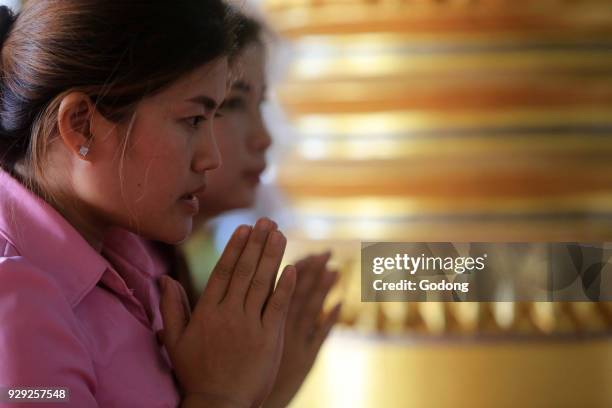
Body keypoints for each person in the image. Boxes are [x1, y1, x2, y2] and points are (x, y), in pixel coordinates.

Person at [0, 2, 295, 407]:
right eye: (193, 120)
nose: (211, 157)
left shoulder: (127, 260)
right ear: (81, 125)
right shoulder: (14, 303)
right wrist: (220, 395)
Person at [158, 12, 343, 408]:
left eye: (259, 104)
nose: (264, 138)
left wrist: (267, 390)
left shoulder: (172, 265)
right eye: (234, 102)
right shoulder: (127, 279)